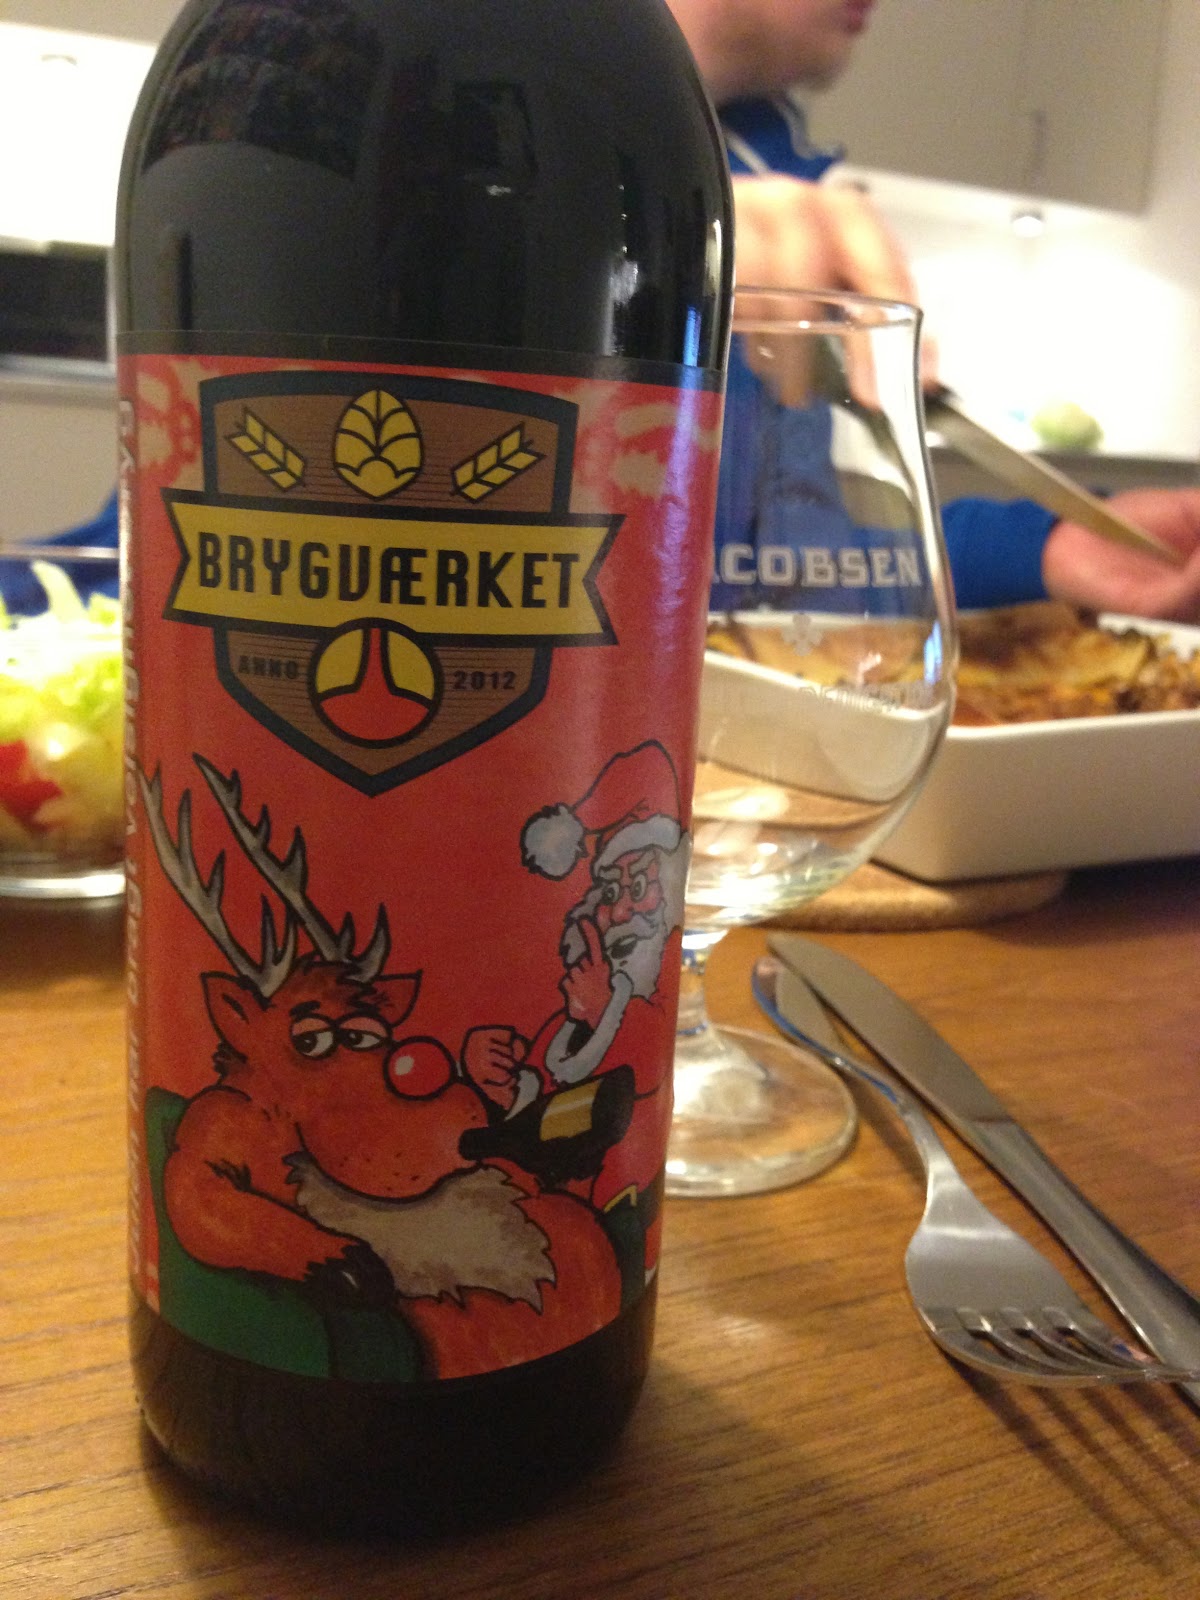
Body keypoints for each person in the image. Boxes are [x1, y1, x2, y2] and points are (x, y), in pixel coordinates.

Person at [666, 0, 1200, 622]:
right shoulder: (578, 159)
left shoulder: (774, 167)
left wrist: (1041, 548)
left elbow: (781, 574)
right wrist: (637, 241)